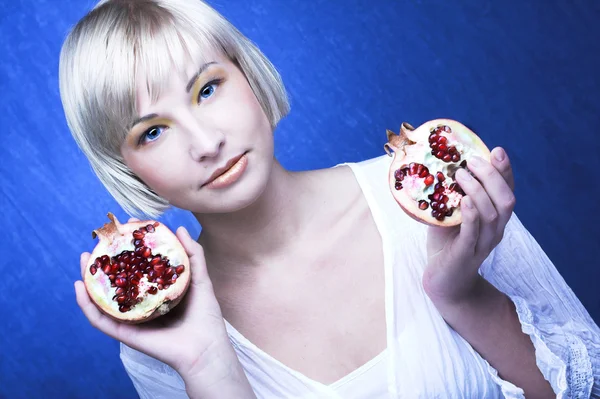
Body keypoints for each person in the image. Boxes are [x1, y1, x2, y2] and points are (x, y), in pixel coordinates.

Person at [58, 0, 600, 398]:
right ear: (124, 166)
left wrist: (461, 296)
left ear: (248, 74)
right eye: (152, 132)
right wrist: (207, 365)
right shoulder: (165, 334)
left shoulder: (440, 204)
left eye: (207, 89)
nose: (206, 143)